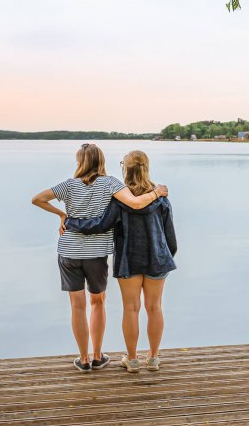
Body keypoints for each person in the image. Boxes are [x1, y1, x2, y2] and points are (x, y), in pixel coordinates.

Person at [31, 144, 168, 372]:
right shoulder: (111, 184)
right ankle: (106, 356)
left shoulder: (69, 185)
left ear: (80, 162)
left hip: (70, 252)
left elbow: (38, 199)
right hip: (100, 254)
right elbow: (143, 209)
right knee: (103, 302)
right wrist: (157, 193)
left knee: (80, 306)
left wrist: (63, 215)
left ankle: (86, 359)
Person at [65, 150, 176, 373]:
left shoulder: (119, 198)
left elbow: (99, 225)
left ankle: (133, 360)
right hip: (157, 259)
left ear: (125, 168)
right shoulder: (161, 197)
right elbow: (170, 236)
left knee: (131, 308)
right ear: (147, 167)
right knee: (154, 307)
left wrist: (71, 222)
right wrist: (166, 257)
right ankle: (153, 358)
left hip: (128, 260)